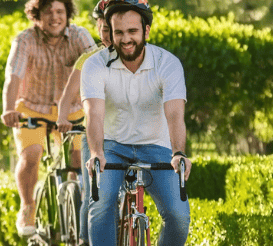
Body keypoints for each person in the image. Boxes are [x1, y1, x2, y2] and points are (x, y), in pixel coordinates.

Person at [80, 1, 192, 245]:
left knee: (179, 216)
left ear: (146, 31)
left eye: (132, 31)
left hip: (156, 146)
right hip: (111, 146)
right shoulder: (95, 65)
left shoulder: (167, 63)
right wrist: (97, 152)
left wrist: (179, 153)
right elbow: (94, 114)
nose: (126, 39)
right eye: (119, 32)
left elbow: (174, 113)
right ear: (110, 32)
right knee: (100, 208)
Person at [1, 0, 96, 236]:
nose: (55, 17)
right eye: (48, 12)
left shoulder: (79, 35)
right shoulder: (25, 40)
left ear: (67, 14)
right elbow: (13, 77)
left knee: (77, 159)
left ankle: (76, 205)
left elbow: (96, 64)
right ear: (37, 15)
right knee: (31, 155)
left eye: (60, 11)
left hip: (71, 110)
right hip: (33, 109)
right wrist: (8, 109)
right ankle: (28, 206)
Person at [56, 0, 112, 244]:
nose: (110, 34)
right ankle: (84, 240)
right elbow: (67, 97)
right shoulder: (89, 58)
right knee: (93, 193)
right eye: (105, 28)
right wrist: (62, 118)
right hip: (96, 134)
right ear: (98, 28)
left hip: (127, 134)